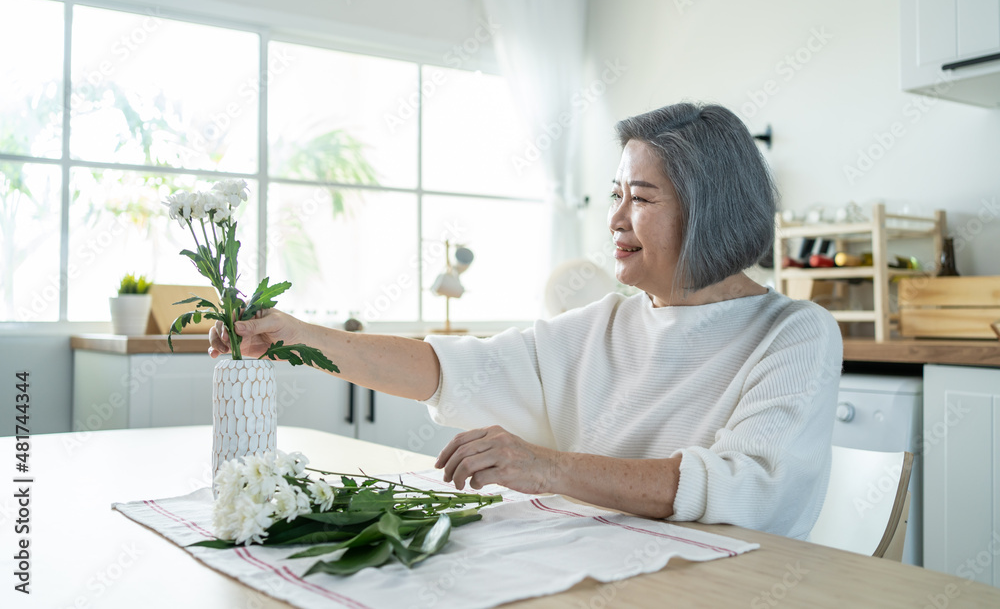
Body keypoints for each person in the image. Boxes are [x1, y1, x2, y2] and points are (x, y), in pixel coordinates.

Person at [209, 102, 842, 540]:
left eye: (641, 199)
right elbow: (455, 369)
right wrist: (298, 337)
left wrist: (550, 467)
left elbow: (749, 487)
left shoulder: (794, 333)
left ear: (713, 212)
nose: (617, 218)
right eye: (616, 193)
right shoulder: (603, 324)